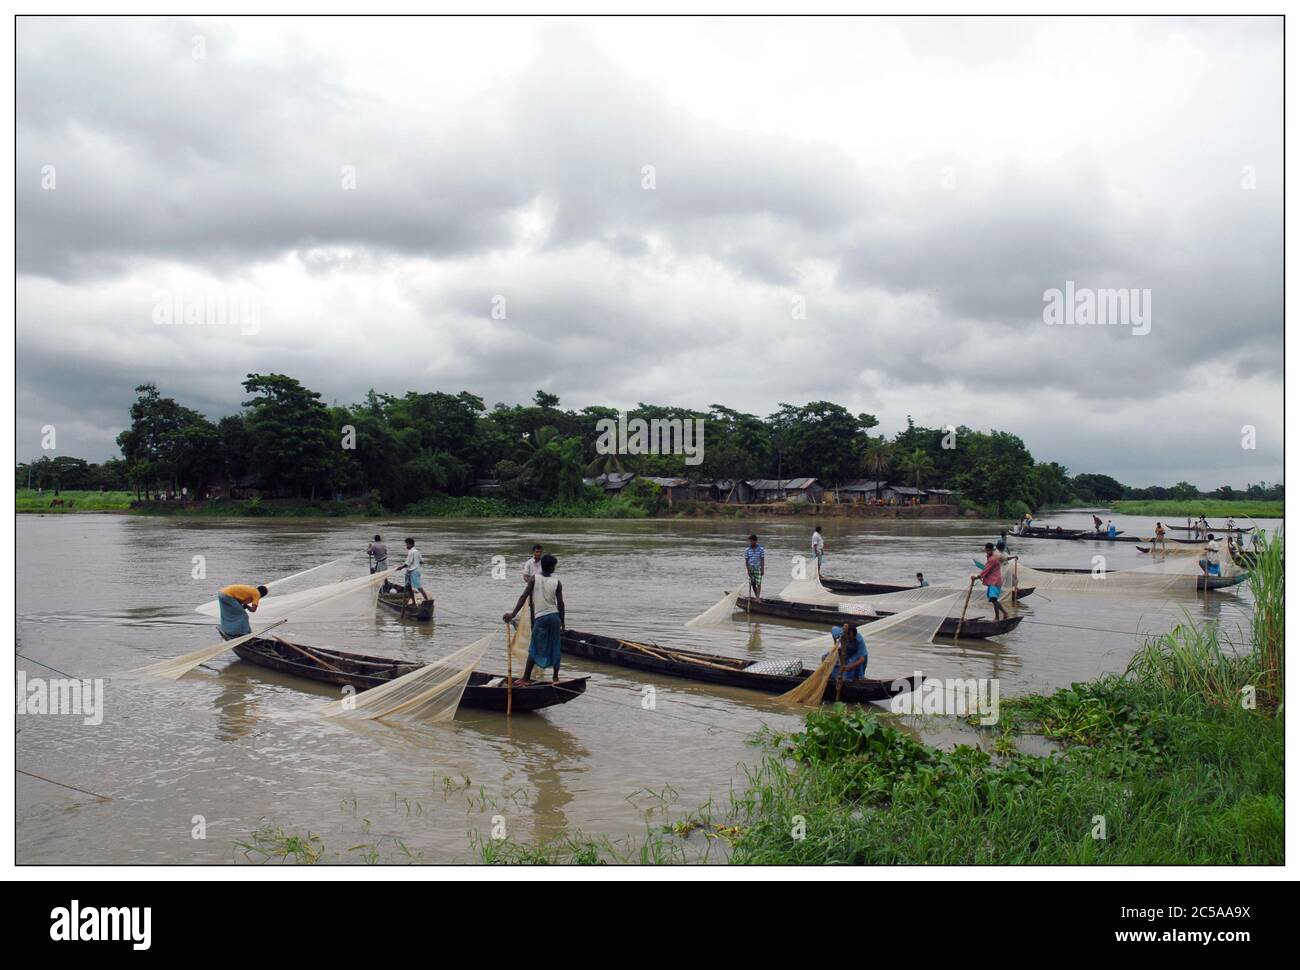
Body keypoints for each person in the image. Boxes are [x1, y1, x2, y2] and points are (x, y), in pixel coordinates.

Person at [503, 554, 564, 683]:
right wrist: (563, 622)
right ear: (552, 568)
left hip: (541, 618)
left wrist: (513, 614)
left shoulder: (534, 579)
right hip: (554, 617)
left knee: (534, 647)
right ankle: (555, 677)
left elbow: (523, 596)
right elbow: (561, 604)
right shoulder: (557, 582)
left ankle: (525, 677)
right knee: (555, 646)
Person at [395, 537, 431, 616]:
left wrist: (400, 568)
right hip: (414, 571)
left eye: (407, 544)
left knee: (418, 587)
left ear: (410, 544)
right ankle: (414, 603)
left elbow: (407, 563)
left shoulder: (411, 552)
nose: (406, 546)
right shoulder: (417, 551)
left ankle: (427, 600)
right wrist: (416, 563)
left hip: (413, 572)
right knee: (409, 587)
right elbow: (422, 562)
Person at [824, 623, 868, 687]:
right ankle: (829, 676)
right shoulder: (840, 633)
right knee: (825, 657)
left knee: (851, 662)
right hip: (845, 652)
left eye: (851, 637)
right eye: (848, 637)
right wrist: (835, 644)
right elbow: (833, 629)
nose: (849, 639)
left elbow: (862, 659)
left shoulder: (859, 640)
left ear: (854, 635)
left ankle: (854, 679)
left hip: (857, 653)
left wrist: (849, 667)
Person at [973, 543, 1008, 621]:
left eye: (989, 550)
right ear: (986, 550)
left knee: (994, 599)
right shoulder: (992, 557)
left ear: (992, 550)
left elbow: (986, 570)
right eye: (987, 550)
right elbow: (1002, 559)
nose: (987, 551)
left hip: (995, 581)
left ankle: (997, 618)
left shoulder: (992, 559)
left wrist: (977, 577)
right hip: (993, 581)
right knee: (993, 599)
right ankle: (1005, 613)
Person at [744, 534, 765, 599]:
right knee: (752, 583)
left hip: (758, 568)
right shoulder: (747, 550)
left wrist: (762, 569)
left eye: (752, 541)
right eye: (750, 541)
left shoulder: (761, 549)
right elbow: (746, 561)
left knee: (758, 583)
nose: (750, 542)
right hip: (751, 568)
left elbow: (762, 559)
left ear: (755, 541)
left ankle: (758, 598)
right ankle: (757, 597)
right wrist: (748, 571)